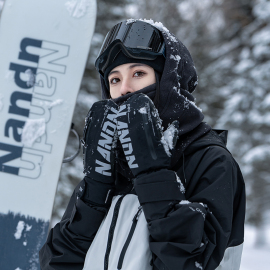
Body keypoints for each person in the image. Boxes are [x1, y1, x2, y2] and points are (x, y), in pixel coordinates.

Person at [39, 19, 246, 270]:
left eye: (138, 73)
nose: (124, 89)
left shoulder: (211, 162)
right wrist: (94, 192)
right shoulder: (111, 163)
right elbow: (59, 264)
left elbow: (190, 263)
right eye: (114, 80)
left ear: (170, 82)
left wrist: (153, 177)